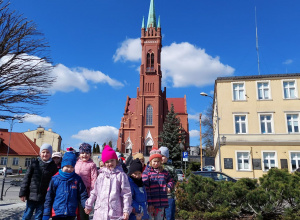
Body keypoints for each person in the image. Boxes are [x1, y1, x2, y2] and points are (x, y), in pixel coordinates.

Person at [85, 145, 132, 220]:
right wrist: (89, 204)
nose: (110, 163)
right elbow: (95, 191)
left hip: (114, 212)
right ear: (103, 163)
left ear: (116, 161)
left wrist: (126, 209)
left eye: (112, 160)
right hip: (100, 212)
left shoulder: (121, 175)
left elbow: (126, 194)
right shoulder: (101, 175)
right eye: (107, 162)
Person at [43, 151, 88, 220]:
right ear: (62, 166)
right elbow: (49, 196)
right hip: (57, 212)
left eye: (71, 167)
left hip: (71, 212)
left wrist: (85, 205)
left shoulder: (77, 179)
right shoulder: (55, 179)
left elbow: (83, 194)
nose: (69, 169)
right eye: (67, 166)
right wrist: (46, 212)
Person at [19, 143, 58, 220]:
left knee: (38, 217)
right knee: (27, 215)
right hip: (31, 196)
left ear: (51, 154)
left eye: (47, 152)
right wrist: (22, 193)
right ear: (40, 153)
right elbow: (26, 179)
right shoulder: (34, 164)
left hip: (44, 197)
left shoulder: (53, 166)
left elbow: (54, 182)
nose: (45, 154)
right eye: (43, 152)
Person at [142, 147, 174, 220]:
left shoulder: (164, 172)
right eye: (154, 161)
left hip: (161, 203)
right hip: (151, 203)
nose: (156, 163)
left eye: (158, 161)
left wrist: (169, 186)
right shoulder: (147, 173)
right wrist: (149, 203)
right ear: (150, 161)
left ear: (160, 162)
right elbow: (146, 189)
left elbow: (171, 180)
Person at [75, 143, 98, 220]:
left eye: (87, 153)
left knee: (83, 214)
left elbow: (94, 180)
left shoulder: (92, 165)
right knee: (74, 212)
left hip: (85, 193)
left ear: (90, 154)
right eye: (82, 153)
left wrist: (92, 194)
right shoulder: (76, 163)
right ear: (79, 154)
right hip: (74, 191)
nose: (84, 155)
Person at [159, 146, 177, 220]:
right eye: (160, 156)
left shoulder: (171, 168)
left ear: (167, 157)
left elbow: (174, 180)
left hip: (169, 196)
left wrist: (170, 186)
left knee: (170, 215)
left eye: (163, 156)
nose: (162, 158)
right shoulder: (156, 167)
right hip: (159, 196)